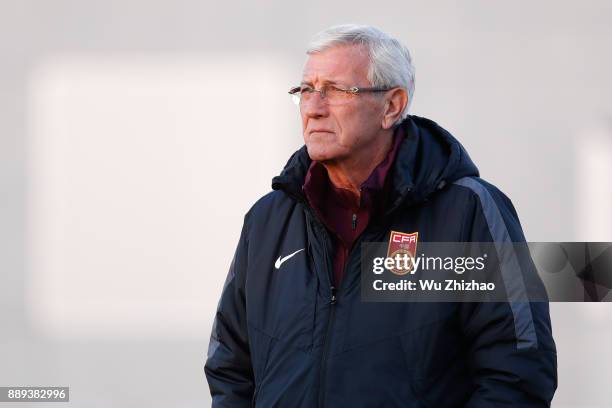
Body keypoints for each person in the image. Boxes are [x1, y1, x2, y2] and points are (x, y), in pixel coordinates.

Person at [204, 24, 557, 407]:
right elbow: (231, 368)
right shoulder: (268, 221)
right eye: (306, 90)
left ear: (392, 105)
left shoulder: (466, 213)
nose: (314, 107)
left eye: (336, 90)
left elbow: (518, 372)